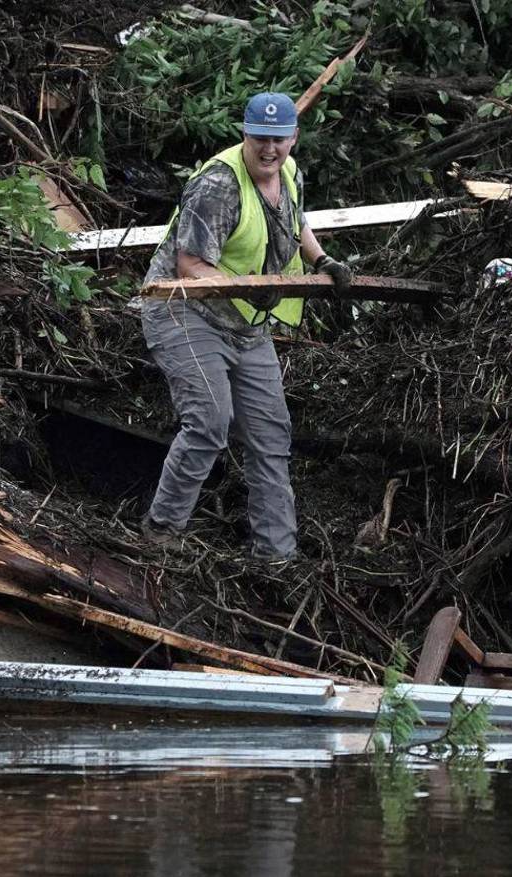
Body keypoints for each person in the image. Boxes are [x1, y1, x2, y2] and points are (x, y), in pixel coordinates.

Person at [139, 91, 352, 560]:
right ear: (245, 134)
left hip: (245, 323)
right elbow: (190, 264)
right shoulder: (219, 185)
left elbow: (295, 224)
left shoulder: (289, 172)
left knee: (271, 435)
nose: (269, 149)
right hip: (184, 311)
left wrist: (322, 260)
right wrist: (246, 288)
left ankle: (276, 556)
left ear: (294, 137)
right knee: (210, 422)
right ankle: (160, 533)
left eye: (279, 139)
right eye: (260, 139)